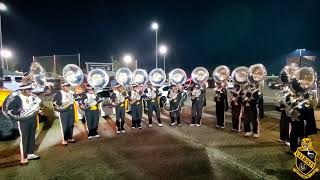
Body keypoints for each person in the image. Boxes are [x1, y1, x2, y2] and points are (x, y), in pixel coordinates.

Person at [8, 81, 41, 165]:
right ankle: (23, 157)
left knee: (31, 136)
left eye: (30, 89)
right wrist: (18, 111)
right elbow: (10, 109)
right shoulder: (17, 98)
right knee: (25, 138)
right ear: (23, 90)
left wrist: (39, 109)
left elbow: (37, 106)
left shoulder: (32, 97)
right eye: (29, 89)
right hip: (23, 120)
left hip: (32, 119)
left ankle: (30, 153)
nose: (30, 91)